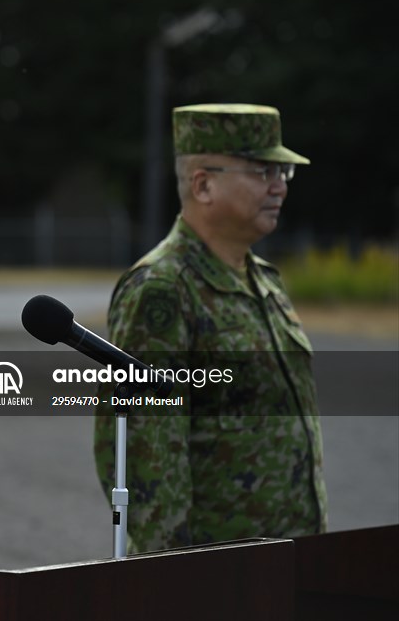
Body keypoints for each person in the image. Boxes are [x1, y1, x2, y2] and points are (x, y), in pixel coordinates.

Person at [93, 103, 327, 553]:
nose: (279, 186)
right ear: (203, 185)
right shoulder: (163, 289)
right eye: (262, 170)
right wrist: (179, 579)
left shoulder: (264, 279)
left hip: (289, 563)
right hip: (221, 578)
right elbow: (149, 453)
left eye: (284, 173)